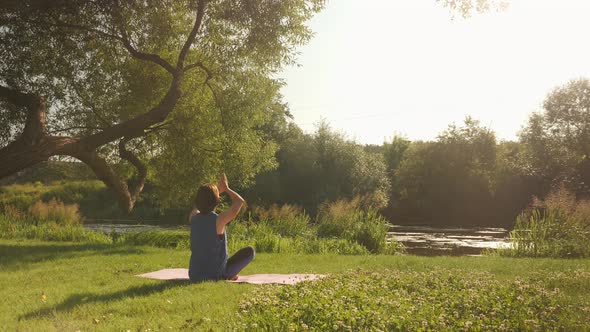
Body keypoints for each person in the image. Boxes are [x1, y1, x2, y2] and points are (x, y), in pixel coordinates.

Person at [188, 173, 254, 282]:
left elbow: (197, 206)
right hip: (215, 275)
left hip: (194, 274)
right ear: (217, 201)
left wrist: (213, 193)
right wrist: (226, 189)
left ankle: (226, 273)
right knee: (249, 252)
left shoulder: (193, 218)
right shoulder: (219, 220)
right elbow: (239, 201)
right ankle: (227, 275)